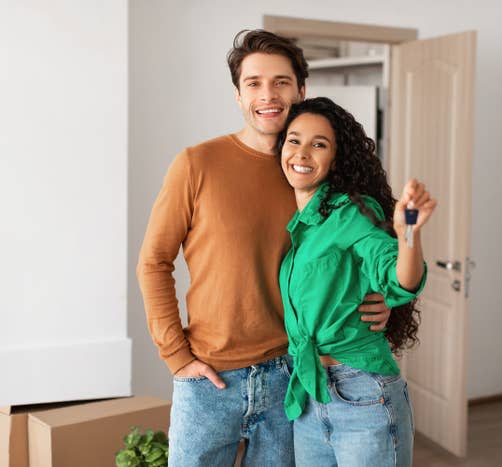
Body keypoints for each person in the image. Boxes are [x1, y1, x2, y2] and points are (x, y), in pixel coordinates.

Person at [136, 30, 391, 467]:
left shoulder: (311, 174)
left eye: (281, 82)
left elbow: (361, 253)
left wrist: (381, 301)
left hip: (290, 376)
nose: (268, 94)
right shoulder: (197, 164)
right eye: (253, 83)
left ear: (301, 91)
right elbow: (154, 261)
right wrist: (177, 357)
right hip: (209, 379)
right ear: (238, 94)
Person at [277, 97, 437, 467]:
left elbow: (399, 278)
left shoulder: (351, 212)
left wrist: (408, 234)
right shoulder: (298, 223)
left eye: (319, 144)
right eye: (294, 140)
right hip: (309, 394)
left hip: (362, 394)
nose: (302, 152)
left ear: (336, 158)